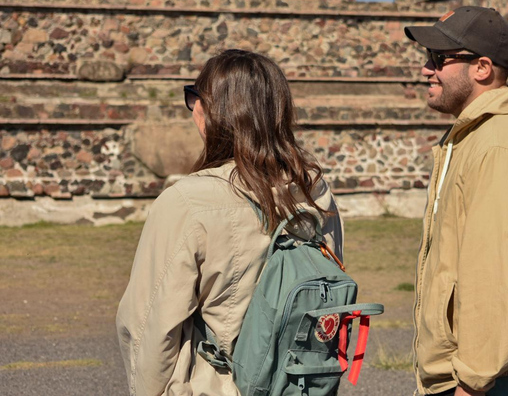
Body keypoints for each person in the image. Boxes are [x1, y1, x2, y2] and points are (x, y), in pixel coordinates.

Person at [116, 49, 343, 396]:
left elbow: (149, 328)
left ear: (207, 111)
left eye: (195, 97)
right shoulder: (314, 192)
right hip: (299, 383)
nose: (193, 108)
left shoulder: (188, 201)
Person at [404, 7, 508, 396]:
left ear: (481, 68)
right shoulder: (478, 136)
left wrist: (472, 381)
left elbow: (495, 272)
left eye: (440, 59)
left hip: (490, 381)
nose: (427, 69)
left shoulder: (500, 144)